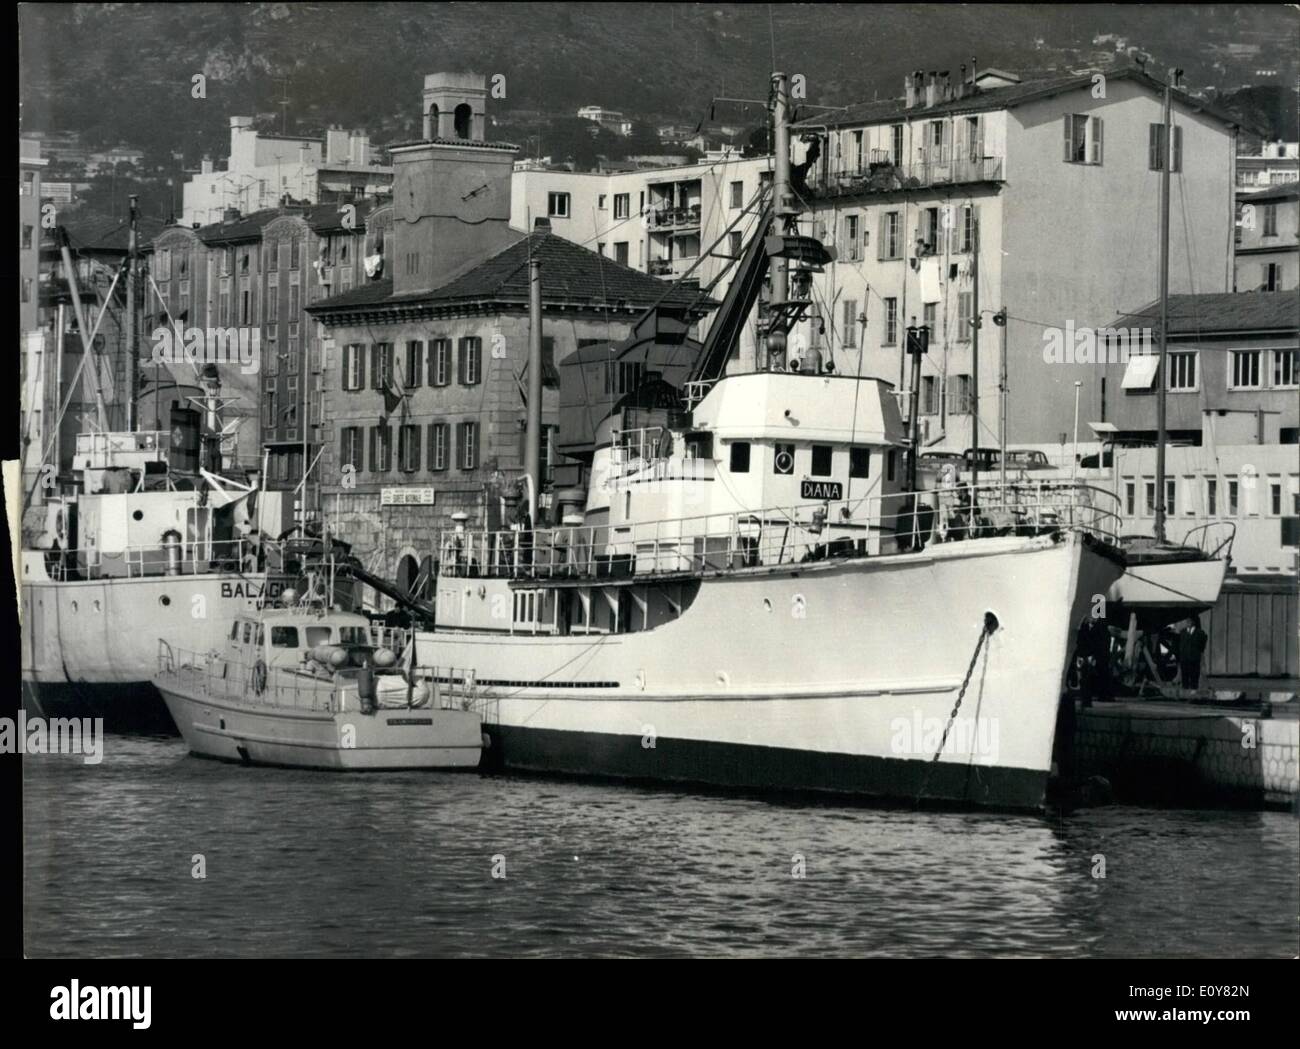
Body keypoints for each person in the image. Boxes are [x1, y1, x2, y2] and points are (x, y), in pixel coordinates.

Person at [1178, 615, 1209, 691]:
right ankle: (1185, 692)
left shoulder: (1200, 633)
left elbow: (1202, 646)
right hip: (1184, 658)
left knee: (1194, 676)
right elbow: (1180, 645)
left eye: (1190, 620)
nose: (1188, 622)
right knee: (1185, 676)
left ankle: (1193, 692)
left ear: (1194, 621)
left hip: (1194, 658)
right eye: (1187, 620)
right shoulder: (1183, 632)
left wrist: (1198, 652)